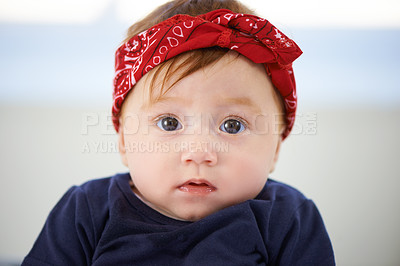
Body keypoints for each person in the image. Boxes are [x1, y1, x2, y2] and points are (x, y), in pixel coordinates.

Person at [23, 0, 335, 265]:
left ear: (276, 149)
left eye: (233, 125)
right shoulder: (88, 209)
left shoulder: (287, 217)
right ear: (123, 141)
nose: (199, 152)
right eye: (169, 123)